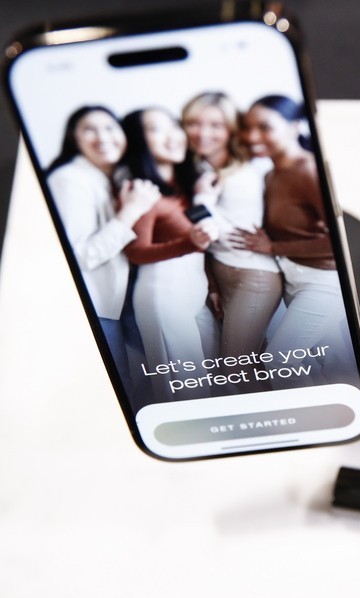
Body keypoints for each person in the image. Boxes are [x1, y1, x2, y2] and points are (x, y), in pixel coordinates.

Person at [233, 95, 353, 384]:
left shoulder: (309, 171)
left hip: (323, 284)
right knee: (333, 361)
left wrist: (272, 247)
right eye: (248, 128)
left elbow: (336, 242)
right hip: (294, 280)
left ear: (295, 126)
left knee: (278, 361)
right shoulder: (270, 175)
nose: (252, 137)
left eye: (264, 127)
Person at [46, 106, 160, 393]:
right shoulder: (70, 179)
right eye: (89, 129)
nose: (103, 137)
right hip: (94, 305)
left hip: (120, 299)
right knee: (117, 388)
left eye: (110, 127)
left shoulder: (115, 176)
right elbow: (79, 256)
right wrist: (130, 211)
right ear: (74, 139)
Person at [121, 107, 217, 401]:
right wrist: (190, 243)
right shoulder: (142, 191)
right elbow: (136, 252)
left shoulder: (186, 184)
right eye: (155, 129)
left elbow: (201, 243)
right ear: (138, 140)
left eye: (174, 125)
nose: (172, 135)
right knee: (187, 390)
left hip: (196, 291)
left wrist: (213, 287)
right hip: (163, 293)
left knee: (215, 380)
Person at [182, 92, 282, 360]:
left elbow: (233, 239)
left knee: (236, 367)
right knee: (246, 365)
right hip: (224, 274)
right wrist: (213, 284)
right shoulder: (203, 168)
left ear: (231, 130)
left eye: (215, 125)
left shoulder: (242, 175)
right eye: (194, 123)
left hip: (252, 278)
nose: (202, 133)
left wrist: (202, 201)